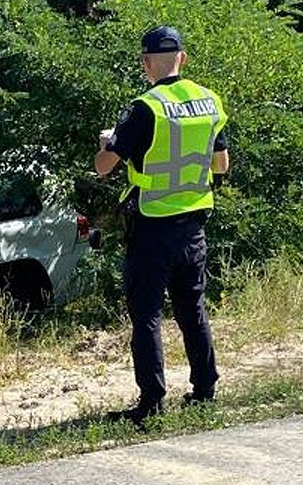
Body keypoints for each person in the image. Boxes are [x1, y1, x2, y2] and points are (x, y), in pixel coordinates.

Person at [94, 25, 230, 426]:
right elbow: (221, 165)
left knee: (147, 315)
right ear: (182, 59)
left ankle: (152, 402)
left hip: (152, 225)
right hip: (193, 225)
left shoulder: (145, 108)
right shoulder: (209, 102)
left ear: (145, 63)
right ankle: (205, 390)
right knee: (192, 308)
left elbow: (104, 169)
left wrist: (107, 143)